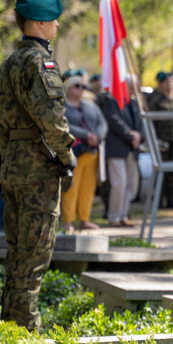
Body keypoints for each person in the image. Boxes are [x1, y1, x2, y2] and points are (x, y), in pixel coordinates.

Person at [0, 0, 75, 331]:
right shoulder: (39, 62)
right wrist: (67, 156)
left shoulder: (7, 64)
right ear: (39, 23)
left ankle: (7, 331)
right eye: (53, 20)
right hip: (38, 171)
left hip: (13, 167)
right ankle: (27, 339)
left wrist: (11, 159)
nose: (57, 25)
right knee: (33, 261)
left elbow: (1, 124)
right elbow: (52, 119)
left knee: (17, 257)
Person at [61, 75, 108, 232]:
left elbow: (102, 123)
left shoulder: (91, 106)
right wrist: (86, 135)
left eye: (83, 86)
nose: (81, 89)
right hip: (74, 152)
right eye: (77, 86)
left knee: (88, 188)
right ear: (68, 88)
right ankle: (68, 221)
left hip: (92, 152)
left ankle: (84, 219)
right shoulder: (62, 107)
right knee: (71, 187)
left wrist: (97, 136)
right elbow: (64, 125)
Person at [100, 79, 143, 227]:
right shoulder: (111, 99)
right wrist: (130, 136)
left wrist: (139, 135)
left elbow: (140, 122)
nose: (135, 89)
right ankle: (114, 217)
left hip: (132, 148)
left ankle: (123, 215)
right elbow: (113, 120)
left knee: (130, 184)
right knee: (119, 183)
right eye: (133, 86)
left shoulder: (134, 102)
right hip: (117, 148)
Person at [147, 71, 173, 209]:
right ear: (160, 83)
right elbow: (150, 121)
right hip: (161, 140)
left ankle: (171, 198)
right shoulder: (155, 99)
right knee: (160, 170)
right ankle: (158, 198)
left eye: (172, 80)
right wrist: (153, 139)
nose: (170, 83)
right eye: (167, 81)